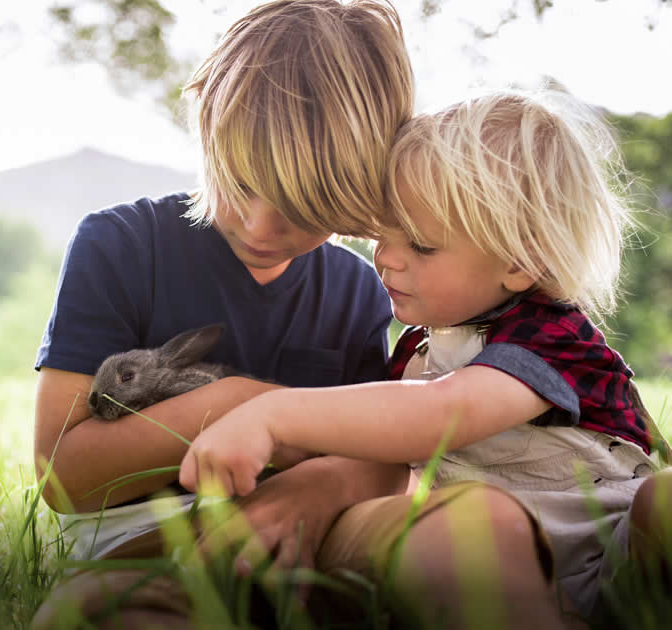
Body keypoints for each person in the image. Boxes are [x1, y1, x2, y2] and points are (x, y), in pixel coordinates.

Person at [180, 89, 672, 628]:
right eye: (382, 232)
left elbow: (442, 414)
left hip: (621, 553)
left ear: (521, 260)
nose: (385, 257)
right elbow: (392, 458)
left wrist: (272, 415)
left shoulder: (550, 334)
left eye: (419, 244)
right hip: (510, 572)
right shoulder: (418, 351)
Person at [32, 0, 414, 627]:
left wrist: (318, 487)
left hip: (306, 526)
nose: (261, 226)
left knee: (431, 544)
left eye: (303, 205)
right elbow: (64, 478)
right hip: (148, 542)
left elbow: (385, 456)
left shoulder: (358, 289)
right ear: (207, 124)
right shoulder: (120, 247)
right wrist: (243, 403)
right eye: (239, 182)